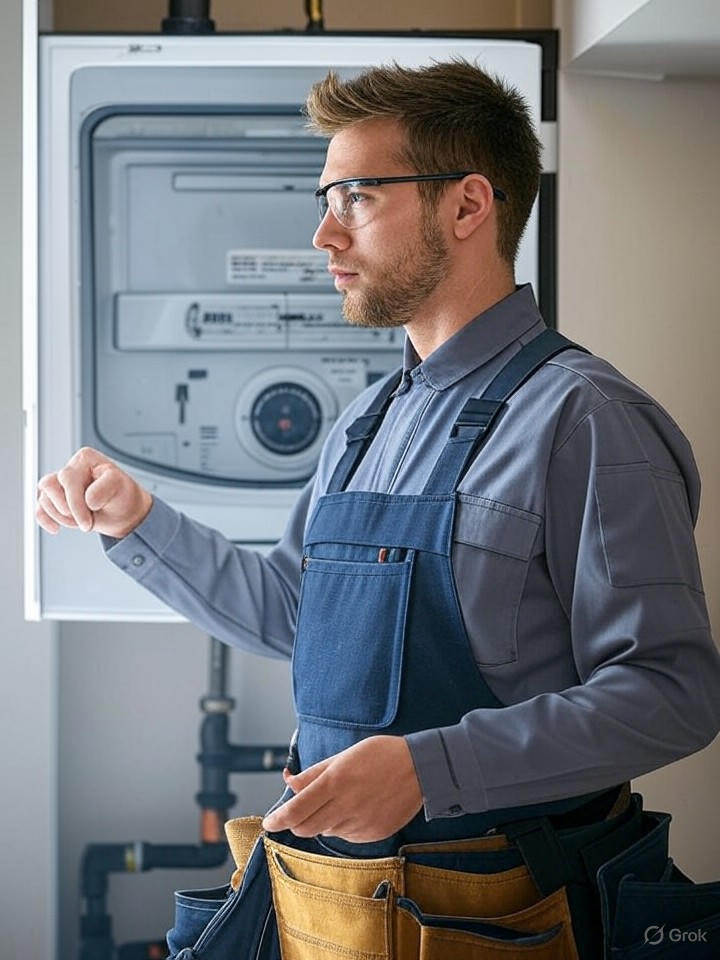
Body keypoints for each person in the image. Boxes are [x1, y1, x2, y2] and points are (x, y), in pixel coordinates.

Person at [36, 61, 720, 958]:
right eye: (327, 198)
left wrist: (428, 771)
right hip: (336, 913)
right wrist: (137, 522)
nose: (323, 233)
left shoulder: (586, 419)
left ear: (468, 206)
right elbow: (297, 610)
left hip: (505, 918)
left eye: (355, 196)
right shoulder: (368, 419)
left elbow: (673, 692)